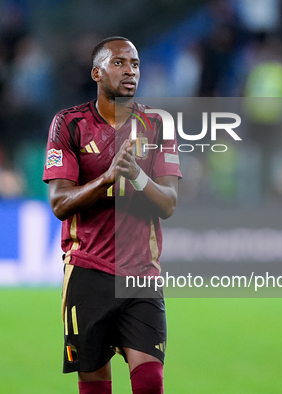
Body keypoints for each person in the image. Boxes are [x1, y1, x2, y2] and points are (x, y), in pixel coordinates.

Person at [43, 36, 181, 394]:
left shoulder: (157, 124)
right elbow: (59, 203)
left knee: (150, 380)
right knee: (95, 383)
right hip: (88, 270)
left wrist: (137, 175)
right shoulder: (68, 125)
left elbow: (168, 203)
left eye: (134, 64)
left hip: (141, 274)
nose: (129, 71)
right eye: (119, 63)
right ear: (96, 72)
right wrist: (106, 179)